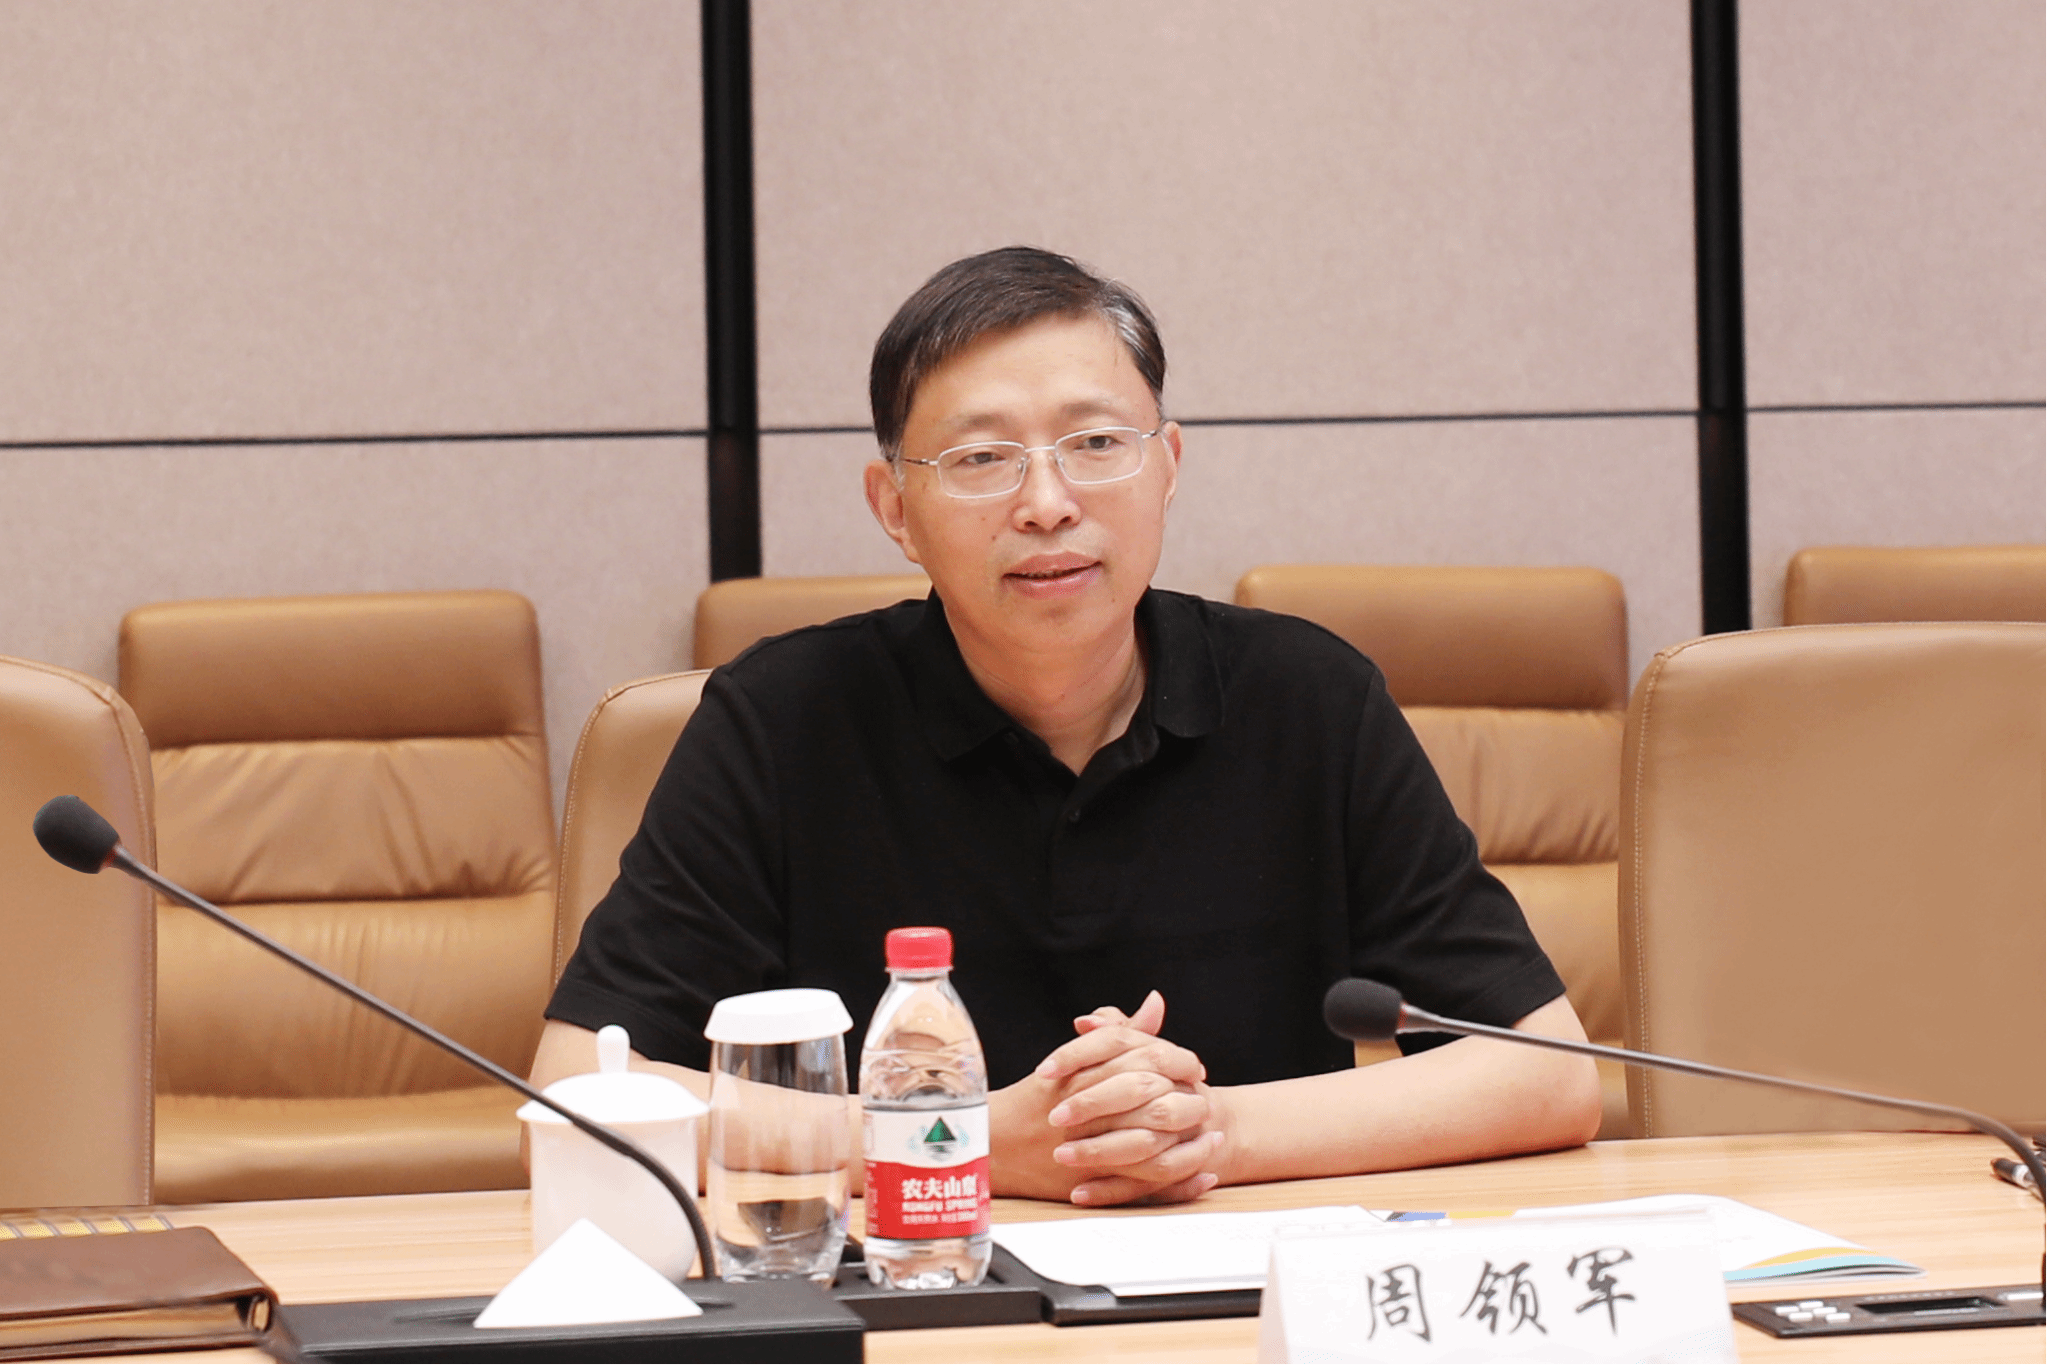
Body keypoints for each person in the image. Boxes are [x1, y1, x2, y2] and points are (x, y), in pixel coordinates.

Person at [533, 246, 1600, 1206]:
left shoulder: (1308, 698)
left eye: (1094, 442)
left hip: (1242, 1292)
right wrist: (960, 1142)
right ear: (894, 507)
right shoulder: (783, 720)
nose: (1046, 502)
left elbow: (1549, 1067)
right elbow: (578, 1085)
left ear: (1168, 465)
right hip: (918, 1291)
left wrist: (1210, 1130)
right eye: (981, 458)